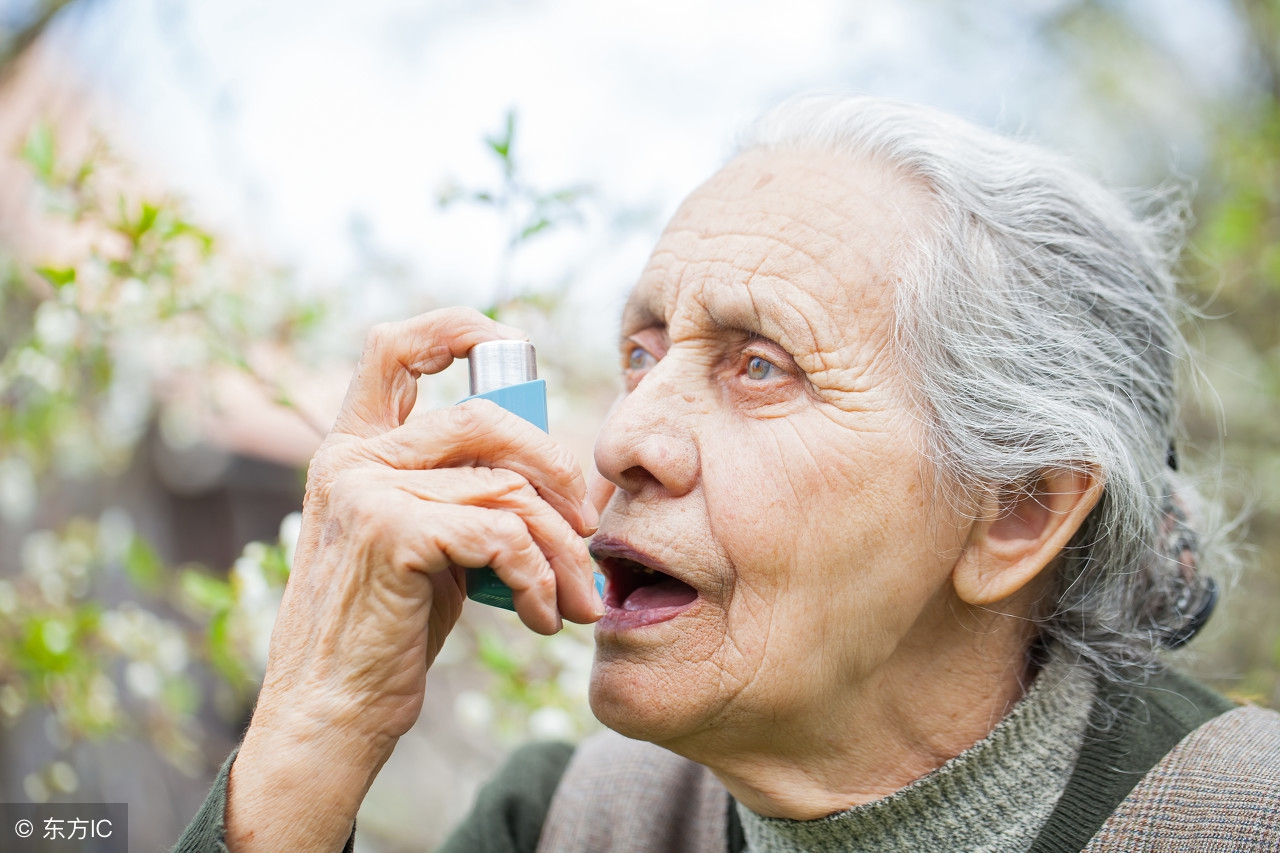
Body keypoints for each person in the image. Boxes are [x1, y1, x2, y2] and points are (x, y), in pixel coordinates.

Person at [174, 95, 1280, 853]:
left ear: (1016, 511)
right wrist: (312, 737)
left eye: (761, 366)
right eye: (641, 354)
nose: (621, 441)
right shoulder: (563, 826)